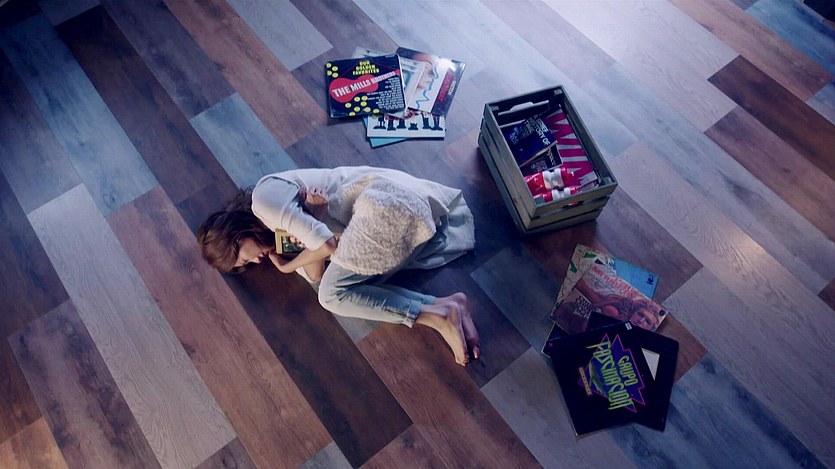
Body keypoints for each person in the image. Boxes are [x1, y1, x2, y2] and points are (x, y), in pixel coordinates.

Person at [198, 166, 480, 365]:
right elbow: (316, 273)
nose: (255, 262)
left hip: (386, 202)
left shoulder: (264, 199)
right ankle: (447, 307)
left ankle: (436, 316)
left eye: (244, 258)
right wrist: (316, 218)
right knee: (346, 293)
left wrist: (288, 266)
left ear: (234, 236)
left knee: (331, 296)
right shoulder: (279, 241)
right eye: (247, 265)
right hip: (379, 224)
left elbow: (326, 247)